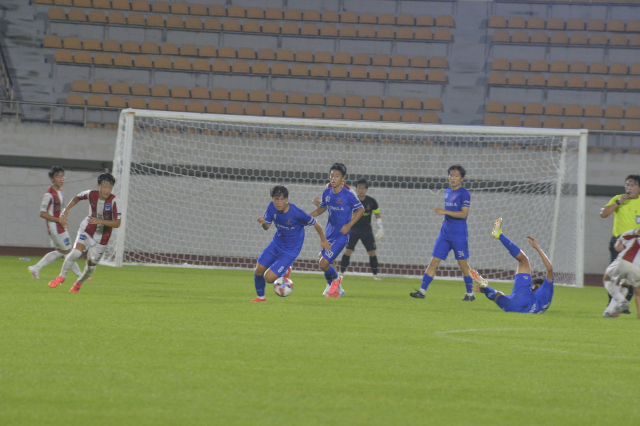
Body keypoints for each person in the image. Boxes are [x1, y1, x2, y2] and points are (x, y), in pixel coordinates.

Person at [253, 185, 331, 302]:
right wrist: (264, 223)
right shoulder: (271, 207)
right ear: (272, 199)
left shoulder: (296, 213)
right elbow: (267, 227)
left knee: (268, 278)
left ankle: (285, 270)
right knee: (258, 270)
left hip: (290, 250)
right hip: (276, 244)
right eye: (276, 199)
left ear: (287, 199)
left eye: (282, 199)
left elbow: (316, 223)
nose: (279, 202)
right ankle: (261, 298)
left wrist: (323, 239)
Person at [48, 173, 121, 293]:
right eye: (104, 186)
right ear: (98, 186)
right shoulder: (91, 194)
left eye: (109, 187)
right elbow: (77, 197)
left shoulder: (115, 202)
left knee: (91, 266)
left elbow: (117, 223)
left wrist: (100, 221)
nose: (106, 190)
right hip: (88, 229)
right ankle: (61, 276)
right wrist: (66, 210)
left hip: (103, 238)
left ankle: (78, 283)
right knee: (76, 252)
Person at [410, 165, 474, 301]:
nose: (453, 178)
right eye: (451, 175)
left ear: (461, 179)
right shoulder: (447, 191)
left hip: (459, 236)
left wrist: (444, 212)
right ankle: (422, 291)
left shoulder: (464, 193)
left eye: (456, 176)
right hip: (445, 235)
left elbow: (463, 214)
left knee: (463, 266)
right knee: (433, 262)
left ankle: (470, 293)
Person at [470, 218, 554, 314]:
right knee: (497, 295)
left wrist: (537, 247)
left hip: (523, 300)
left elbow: (550, 269)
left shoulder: (547, 287)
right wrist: (484, 290)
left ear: (539, 285)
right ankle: (486, 288)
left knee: (524, 261)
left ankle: (499, 235)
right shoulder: (544, 304)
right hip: (512, 307)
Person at [309, 163, 364, 297]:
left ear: (343, 178)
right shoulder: (327, 191)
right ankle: (335, 288)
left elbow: (361, 209)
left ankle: (335, 280)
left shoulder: (348, 194)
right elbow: (322, 208)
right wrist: (306, 217)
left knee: (324, 263)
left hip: (342, 234)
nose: (333, 178)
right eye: (332, 175)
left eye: (337, 176)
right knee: (324, 260)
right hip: (329, 232)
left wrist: (349, 225)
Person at [314, 178, 384, 280]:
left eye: (363, 188)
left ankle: (375, 274)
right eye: (359, 188)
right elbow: (331, 207)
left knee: (372, 252)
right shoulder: (350, 198)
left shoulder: (371, 202)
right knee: (348, 251)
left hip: (366, 230)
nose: (361, 190)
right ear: (356, 189)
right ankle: (341, 273)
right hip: (352, 229)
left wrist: (380, 227)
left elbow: (377, 214)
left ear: (366, 190)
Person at [28, 166, 85, 281]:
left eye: (62, 176)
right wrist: (58, 220)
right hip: (55, 228)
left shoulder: (60, 191)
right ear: (52, 179)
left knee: (60, 252)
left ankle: (35, 268)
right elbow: (42, 213)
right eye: (58, 176)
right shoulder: (49, 194)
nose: (61, 178)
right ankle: (80, 276)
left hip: (59, 226)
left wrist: (62, 218)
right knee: (69, 252)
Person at [599, 174, 640, 313]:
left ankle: (619, 305)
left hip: (636, 245)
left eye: (632, 185)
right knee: (615, 277)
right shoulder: (618, 199)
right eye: (627, 184)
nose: (628, 187)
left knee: (629, 279)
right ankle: (615, 305)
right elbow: (603, 214)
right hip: (618, 242)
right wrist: (617, 202)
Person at [601, 228, 640, 318]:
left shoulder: (625, 236)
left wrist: (619, 242)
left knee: (607, 279)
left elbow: (618, 248)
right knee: (626, 285)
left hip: (624, 262)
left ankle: (621, 301)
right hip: (638, 269)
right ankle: (609, 312)